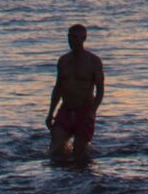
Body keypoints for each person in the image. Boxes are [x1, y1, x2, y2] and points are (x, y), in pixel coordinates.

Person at [45, 23, 106, 168]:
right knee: (55, 151)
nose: (71, 40)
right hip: (66, 109)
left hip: (84, 111)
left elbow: (100, 90)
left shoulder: (93, 61)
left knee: (80, 156)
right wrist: (50, 113)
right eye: (69, 37)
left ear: (83, 38)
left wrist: (92, 112)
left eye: (75, 37)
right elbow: (58, 88)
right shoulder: (63, 61)